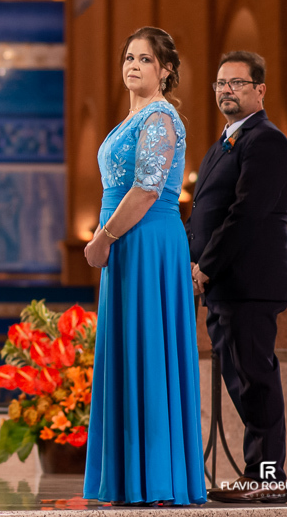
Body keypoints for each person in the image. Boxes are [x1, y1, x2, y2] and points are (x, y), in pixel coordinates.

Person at [82, 27, 206, 506]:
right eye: (129, 58)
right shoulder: (131, 118)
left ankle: (155, 478)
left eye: (146, 59)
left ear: (166, 69)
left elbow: (148, 188)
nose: (133, 65)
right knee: (130, 350)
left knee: (150, 350)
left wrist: (103, 239)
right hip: (126, 243)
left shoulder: (160, 117)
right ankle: (129, 477)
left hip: (147, 241)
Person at [189, 51, 287, 504]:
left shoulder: (266, 141)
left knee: (256, 381)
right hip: (224, 287)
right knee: (242, 381)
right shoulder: (224, 142)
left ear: (260, 90)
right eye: (220, 84)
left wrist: (206, 266)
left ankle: (268, 477)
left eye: (236, 83)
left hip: (248, 283)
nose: (226, 90)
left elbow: (245, 214)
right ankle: (258, 473)